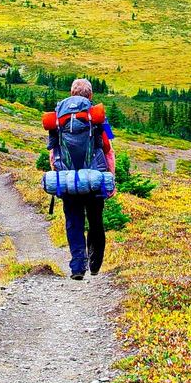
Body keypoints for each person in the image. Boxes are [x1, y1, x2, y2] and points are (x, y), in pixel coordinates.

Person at [47, 78, 115, 280]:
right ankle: (94, 263)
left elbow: (53, 150)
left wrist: (58, 173)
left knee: (73, 222)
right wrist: (110, 177)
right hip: (95, 178)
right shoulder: (99, 116)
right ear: (91, 95)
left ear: (71, 93)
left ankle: (77, 267)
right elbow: (108, 148)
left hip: (68, 178)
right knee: (95, 220)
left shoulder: (58, 116)